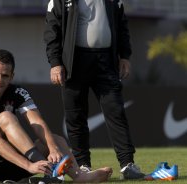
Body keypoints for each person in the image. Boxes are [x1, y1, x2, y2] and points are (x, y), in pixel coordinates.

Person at [0, 49, 113, 183]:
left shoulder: (17, 92)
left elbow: (37, 122)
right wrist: (29, 165)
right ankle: (49, 169)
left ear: (12, 76)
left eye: (5, 75)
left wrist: (53, 148)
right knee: (6, 117)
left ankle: (79, 176)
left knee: (55, 140)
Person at [44, 0, 145, 180]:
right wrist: (55, 62)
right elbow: (52, 30)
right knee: (76, 116)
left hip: (106, 60)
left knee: (116, 112)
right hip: (73, 63)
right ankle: (83, 166)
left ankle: (127, 164)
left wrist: (125, 56)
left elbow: (122, 26)